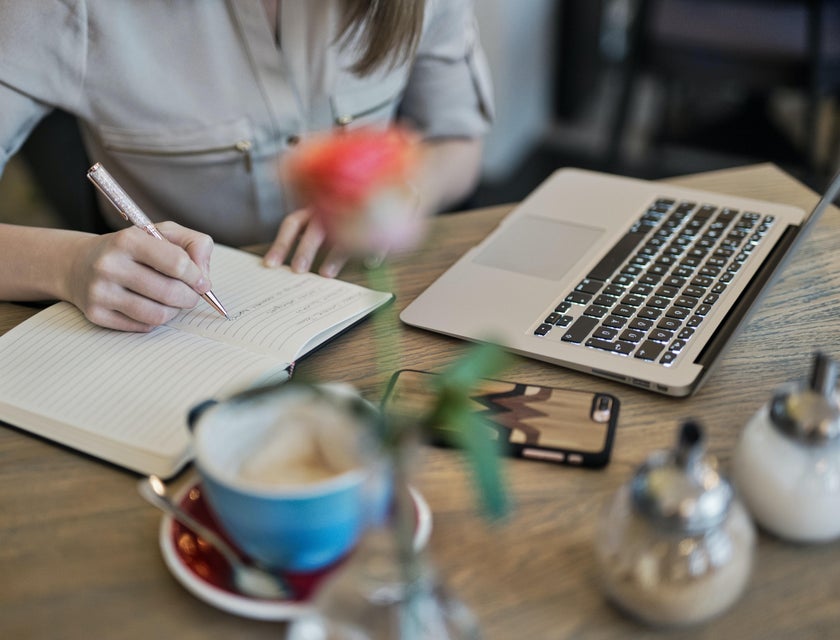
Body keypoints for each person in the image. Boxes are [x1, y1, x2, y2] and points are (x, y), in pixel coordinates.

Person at [0, 0, 493, 331]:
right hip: (174, 324)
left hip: (378, 303)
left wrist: (406, 192)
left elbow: (458, 141)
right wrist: (67, 264)